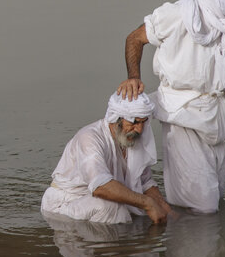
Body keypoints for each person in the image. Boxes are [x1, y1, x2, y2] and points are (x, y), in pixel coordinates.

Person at [117, 0, 225, 213]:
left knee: (214, 199)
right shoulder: (179, 14)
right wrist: (134, 77)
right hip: (182, 116)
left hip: (221, 118)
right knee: (202, 208)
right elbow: (134, 39)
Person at [41, 92, 173, 224]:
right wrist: (148, 203)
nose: (139, 129)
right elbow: (100, 187)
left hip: (92, 201)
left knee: (146, 211)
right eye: (135, 122)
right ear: (117, 119)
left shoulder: (131, 137)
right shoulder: (89, 138)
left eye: (143, 122)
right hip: (65, 205)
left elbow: (145, 182)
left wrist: (168, 211)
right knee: (112, 207)